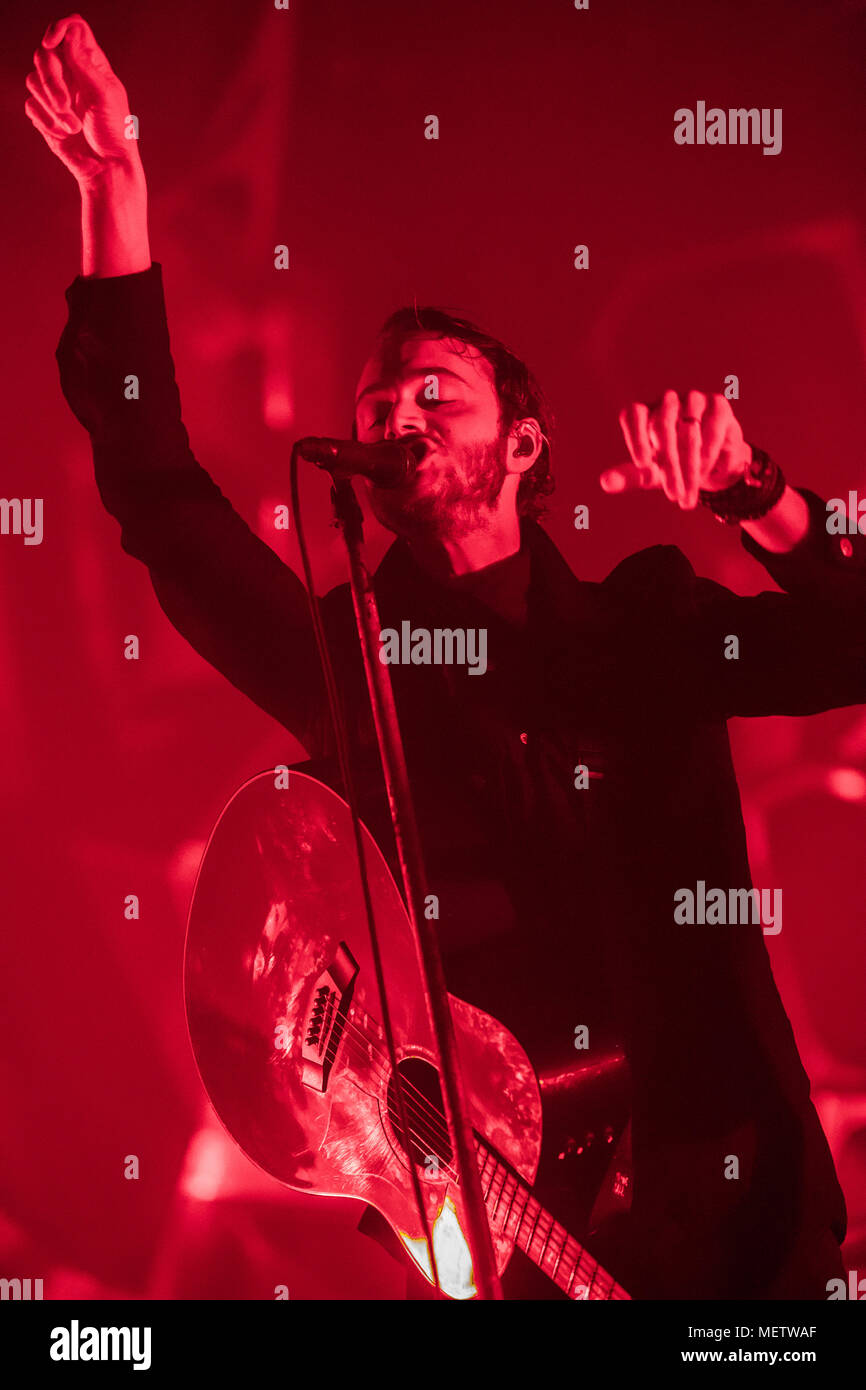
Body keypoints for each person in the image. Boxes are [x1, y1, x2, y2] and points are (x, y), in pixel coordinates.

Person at [28, 14, 866, 1299]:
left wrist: (757, 493)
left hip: (734, 1220)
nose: (396, 413)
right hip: (517, 1233)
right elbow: (163, 501)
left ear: (523, 444)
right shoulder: (355, 660)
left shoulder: (644, 626)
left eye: (434, 391)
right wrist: (115, 193)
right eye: (376, 405)